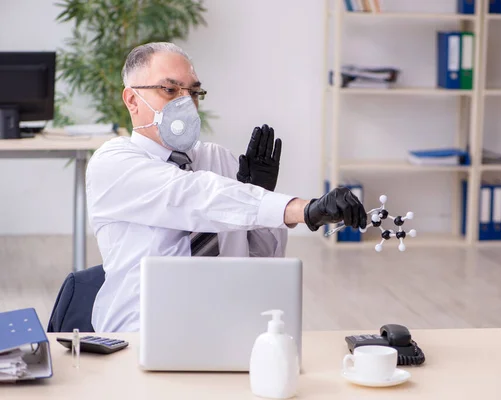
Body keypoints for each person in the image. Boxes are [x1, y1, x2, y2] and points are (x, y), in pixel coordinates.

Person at [86, 42, 367, 332]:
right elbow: (194, 197)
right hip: (141, 330)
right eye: (169, 90)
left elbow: (263, 259)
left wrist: (262, 194)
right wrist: (303, 209)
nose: (186, 103)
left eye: (193, 92)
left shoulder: (216, 158)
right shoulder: (112, 163)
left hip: (227, 326)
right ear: (132, 100)